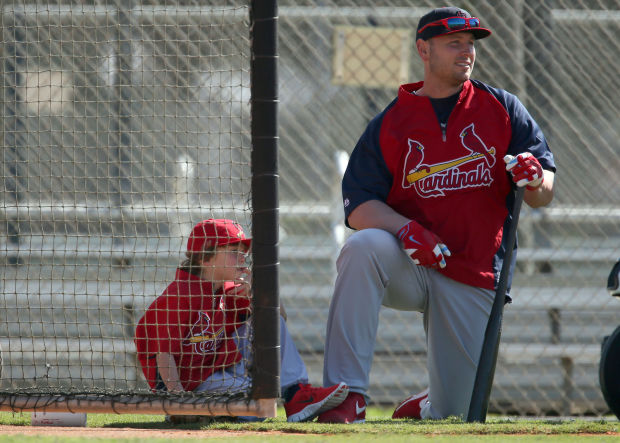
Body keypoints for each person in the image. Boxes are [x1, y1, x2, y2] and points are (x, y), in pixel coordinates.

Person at [317, 6, 556, 423]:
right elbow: (358, 207)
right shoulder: (390, 123)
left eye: (470, 44)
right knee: (363, 247)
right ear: (423, 49)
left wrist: (535, 179)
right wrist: (404, 228)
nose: (466, 52)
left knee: (455, 416)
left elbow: (543, 194)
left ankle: (428, 404)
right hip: (410, 263)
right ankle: (347, 396)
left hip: (474, 269)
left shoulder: (501, 107)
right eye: (453, 43)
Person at [135, 219, 348, 423]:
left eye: (243, 253)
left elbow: (279, 320)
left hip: (219, 368)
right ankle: (199, 410)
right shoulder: (180, 295)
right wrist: (178, 401)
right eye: (233, 253)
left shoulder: (226, 289)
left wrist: (259, 291)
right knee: (260, 406)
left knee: (267, 326)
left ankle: (296, 395)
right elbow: (163, 354)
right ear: (204, 258)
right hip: (191, 384)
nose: (242, 259)